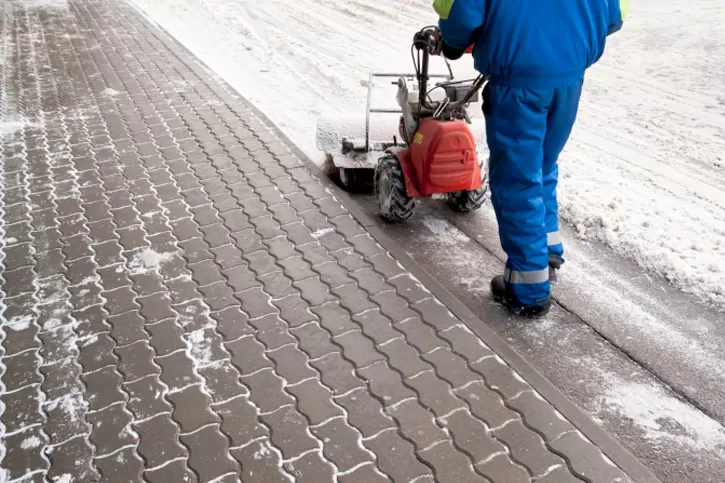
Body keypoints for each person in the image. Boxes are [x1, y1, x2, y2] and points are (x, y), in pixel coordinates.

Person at [435, 0, 628, 317]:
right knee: (542, 165)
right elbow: (615, 15)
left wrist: (453, 42)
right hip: (569, 76)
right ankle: (546, 250)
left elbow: (462, 15)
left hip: (519, 80)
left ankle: (528, 290)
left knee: (517, 181)